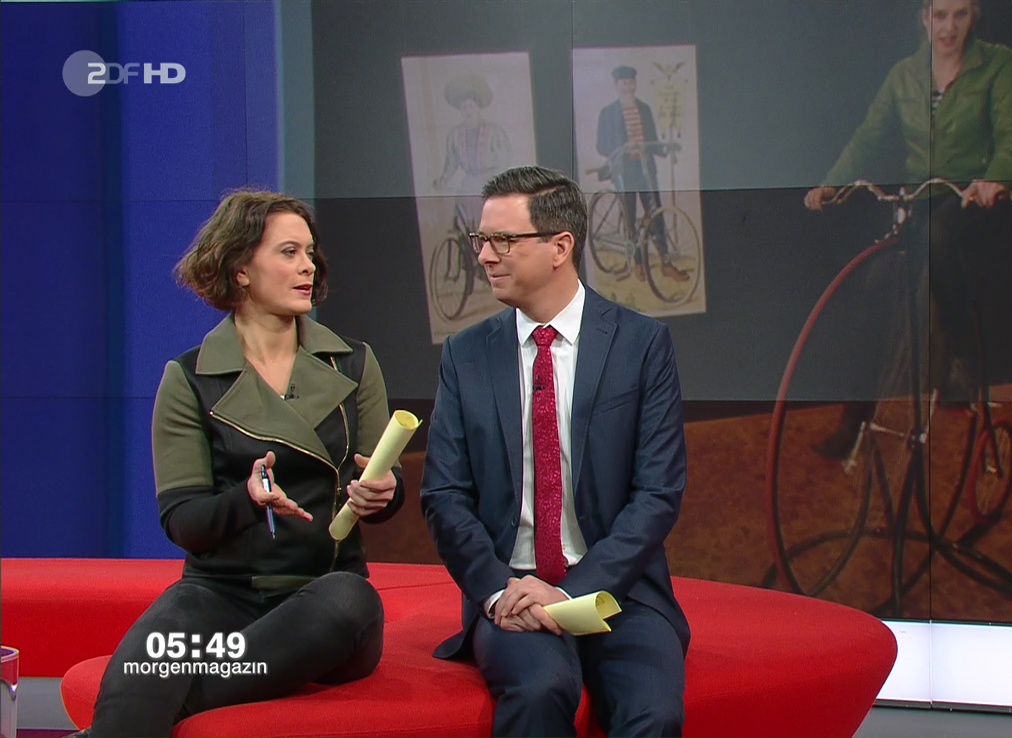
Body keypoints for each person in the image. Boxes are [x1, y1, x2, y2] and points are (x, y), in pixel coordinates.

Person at [72, 190, 405, 737]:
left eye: (310, 253)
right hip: (220, 594)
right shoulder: (189, 378)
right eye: (289, 252)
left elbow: (381, 491)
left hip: (323, 593)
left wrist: (384, 493)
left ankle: (171, 707)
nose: (308, 266)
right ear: (240, 268)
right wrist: (246, 501)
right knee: (140, 672)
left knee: (348, 600)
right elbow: (184, 522)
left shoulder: (353, 363)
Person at [422, 165, 689, 738]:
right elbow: (444, 495)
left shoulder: (641, 344)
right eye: (481, 239)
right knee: (541, 689)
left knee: (654, 713)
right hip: (511, 590)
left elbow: (658, 493)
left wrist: (572, 591)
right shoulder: (466, 355)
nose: (485, 255)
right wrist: (499, 592)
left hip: (621, 591)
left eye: (503, 240)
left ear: (560, 247)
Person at [803, 0, 1012, 455]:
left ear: (974, 17)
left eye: (960, 15)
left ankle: (961, 359)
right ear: (925, 17)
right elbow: (868, 135)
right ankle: (853, 421)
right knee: (874, 287)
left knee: (939, 237)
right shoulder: (904, 75)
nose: (949, 27)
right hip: (920, 200)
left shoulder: (998, 65)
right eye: (940, 15)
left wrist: (996, 178)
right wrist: (831, 183)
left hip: (970, 199)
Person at [595, 65, 689, 284]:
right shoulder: (608, 113)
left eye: (631, 82)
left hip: (646, 169)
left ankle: (666, 263)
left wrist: (666, 148)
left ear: (635, 84)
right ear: (616, 85)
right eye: (624, 83)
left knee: (656, 214)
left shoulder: (644, 109)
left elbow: (653, 140)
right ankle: (636, 263)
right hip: (624, 171)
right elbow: (601, 145)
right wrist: (622, 146)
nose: (628, 87)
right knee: (630, 217)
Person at [433, 73, 513, 198]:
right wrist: (444, 179)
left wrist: (496, 180)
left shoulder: (494, 131)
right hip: (468, 185)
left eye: (471, 106)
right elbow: (452, 161)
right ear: (460, 110)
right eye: (464, 107)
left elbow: (504, 158)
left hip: (491, 182)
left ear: (478, 108)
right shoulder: (454, 135)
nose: (468, 111)